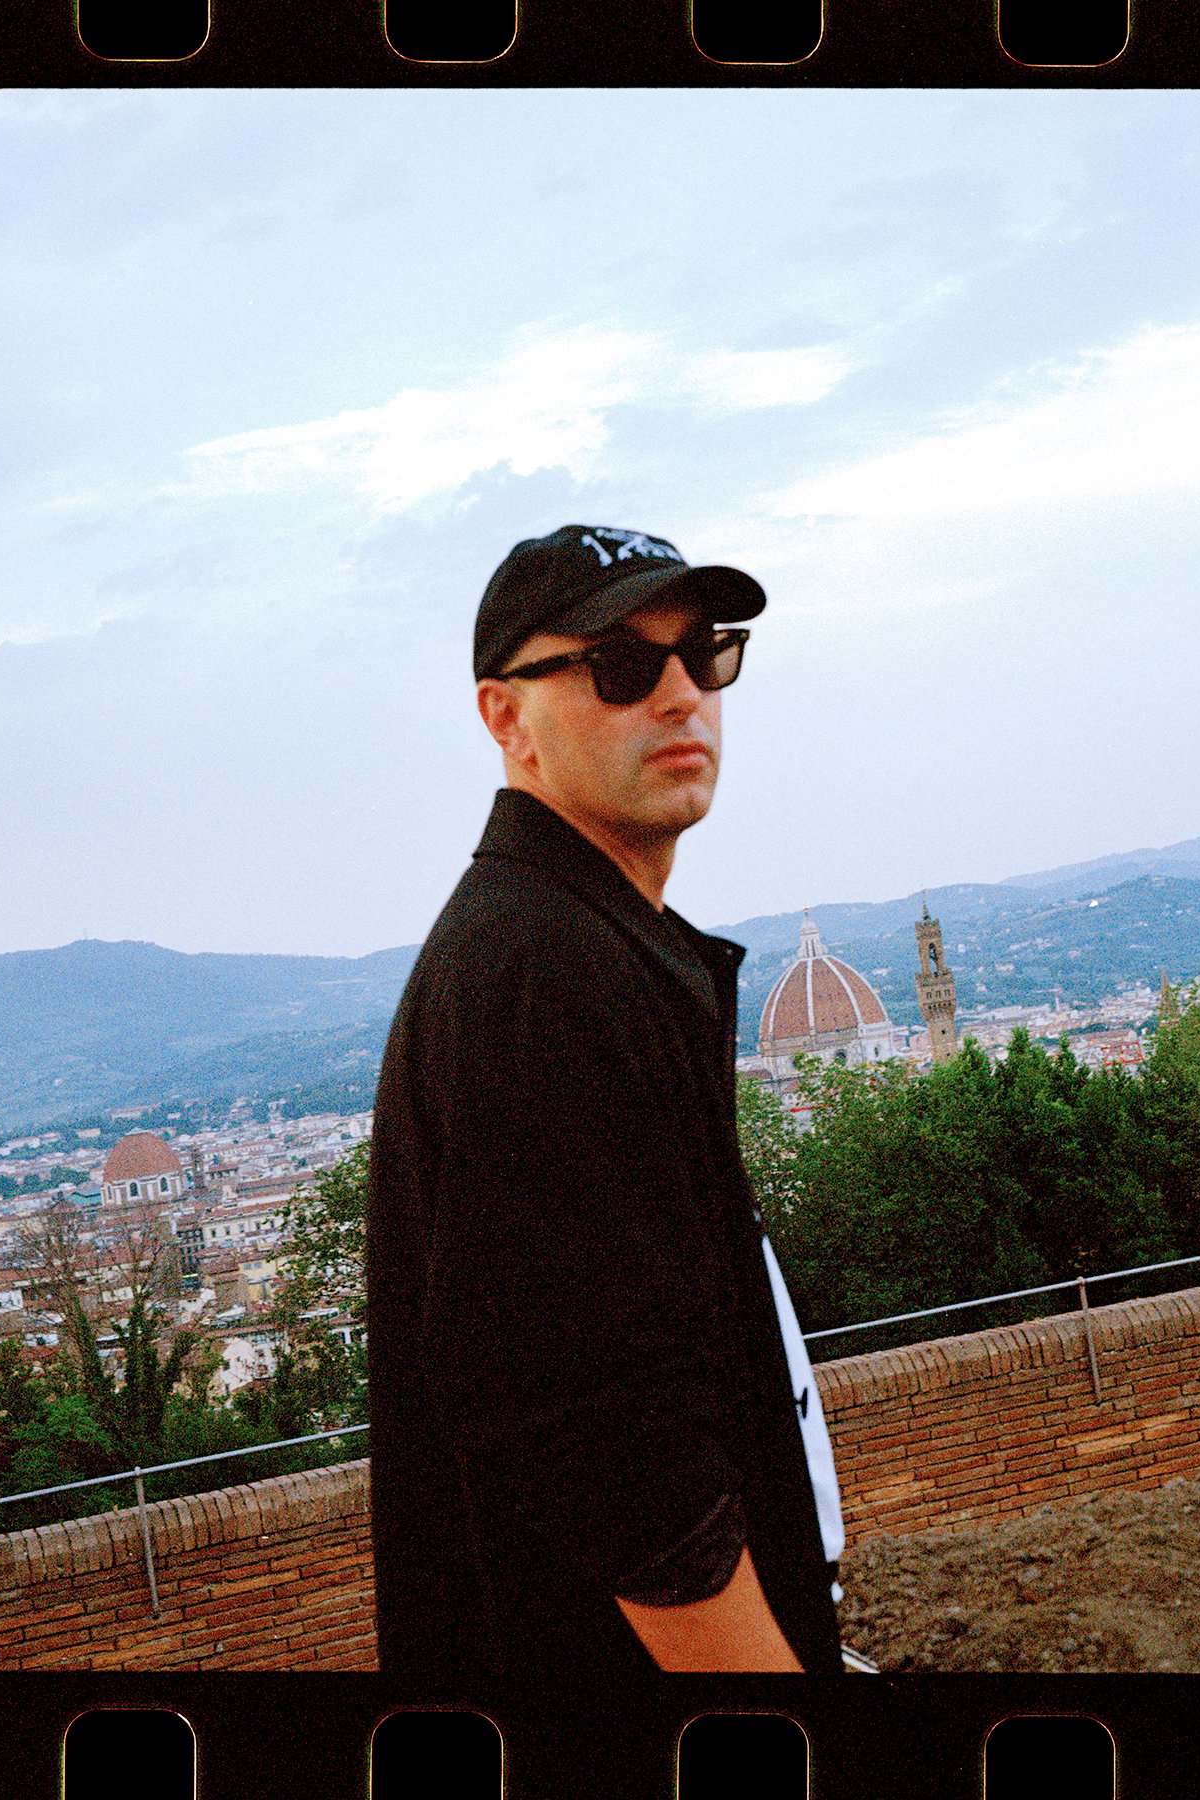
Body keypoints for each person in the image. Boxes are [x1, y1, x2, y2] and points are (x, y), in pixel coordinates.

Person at [366, 524, 846, 1677]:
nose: (683, 694)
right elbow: (612, 1447)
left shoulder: (577, 942)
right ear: (506, 718)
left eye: (706, 654)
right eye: (624, 666)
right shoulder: (544, 973)